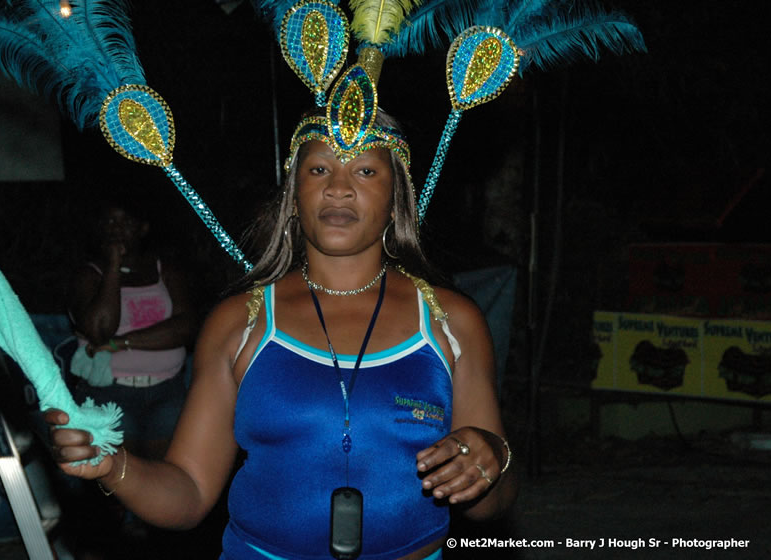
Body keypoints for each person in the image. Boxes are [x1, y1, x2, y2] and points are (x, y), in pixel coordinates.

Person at [46, 109, 517, 559]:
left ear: (397, 198)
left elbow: (492, 504)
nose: (339, 188)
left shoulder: (450, 322)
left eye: (366, 172)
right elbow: (187, 493)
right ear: (293, 198)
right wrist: (113, 464)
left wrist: (491, 457)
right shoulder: (240, 324)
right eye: (318, 170)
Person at [68, 196, 198, 461]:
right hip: (111, 392)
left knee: (164, 476)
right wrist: (114, 267)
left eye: (125, 222)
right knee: (120, 480)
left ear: (143, 228)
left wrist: (121, 343)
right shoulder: (89, 275)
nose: (116, 229)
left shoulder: (166, 271)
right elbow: (98, 331)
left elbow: (185, 328)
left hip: (166, 391)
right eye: (110, 222)